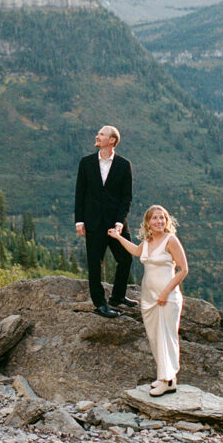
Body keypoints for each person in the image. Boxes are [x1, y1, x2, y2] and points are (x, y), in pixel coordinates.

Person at [108, 204, 188, 396]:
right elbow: (136, 251)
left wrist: (165, 293)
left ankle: (167, 379)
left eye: (162, 218)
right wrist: (118, 237)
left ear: (167, 221)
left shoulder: (171, 240)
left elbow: (183, 269)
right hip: (148, 297)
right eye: (155, 218)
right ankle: (166, 378)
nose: (159, 221)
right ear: (148, 223)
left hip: (167, 297)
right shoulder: (148, 241)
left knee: (166, 337)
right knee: (154, 338)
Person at [75, 125, 137, 318]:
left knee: (126, 258)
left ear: (111, 140)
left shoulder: (124, 164)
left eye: (101, 134)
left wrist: (120, 221)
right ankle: (100, 305)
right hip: (93, 222)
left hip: (116, 224)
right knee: (94, 264)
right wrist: (79, 221)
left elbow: (126, 197)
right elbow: (80, 194)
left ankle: (117, 297)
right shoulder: (85, 163)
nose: (97, 136)